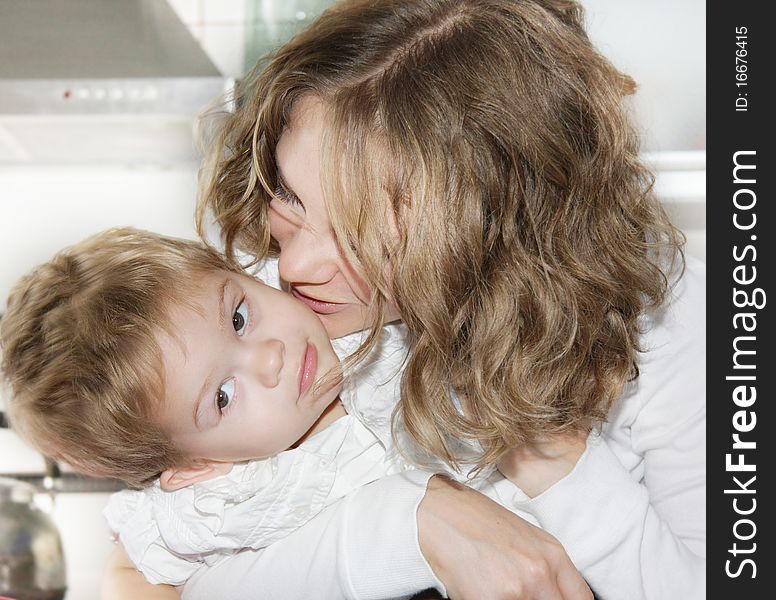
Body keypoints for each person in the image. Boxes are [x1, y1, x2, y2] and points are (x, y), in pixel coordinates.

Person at [106, 0, 706, 598]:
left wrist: (553, 458)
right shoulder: (253, 308)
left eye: (362, 239)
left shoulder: (675, 320)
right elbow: (159, 578)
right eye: (290, 198)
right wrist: (415, 524)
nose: (294, 266)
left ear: (496, 239)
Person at [0, 227, 409, 585]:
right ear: (197, 466)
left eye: (238, 319)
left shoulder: (346, 309)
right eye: (222, 397)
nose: (270, 358)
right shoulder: (221, 502)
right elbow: (127, 570)